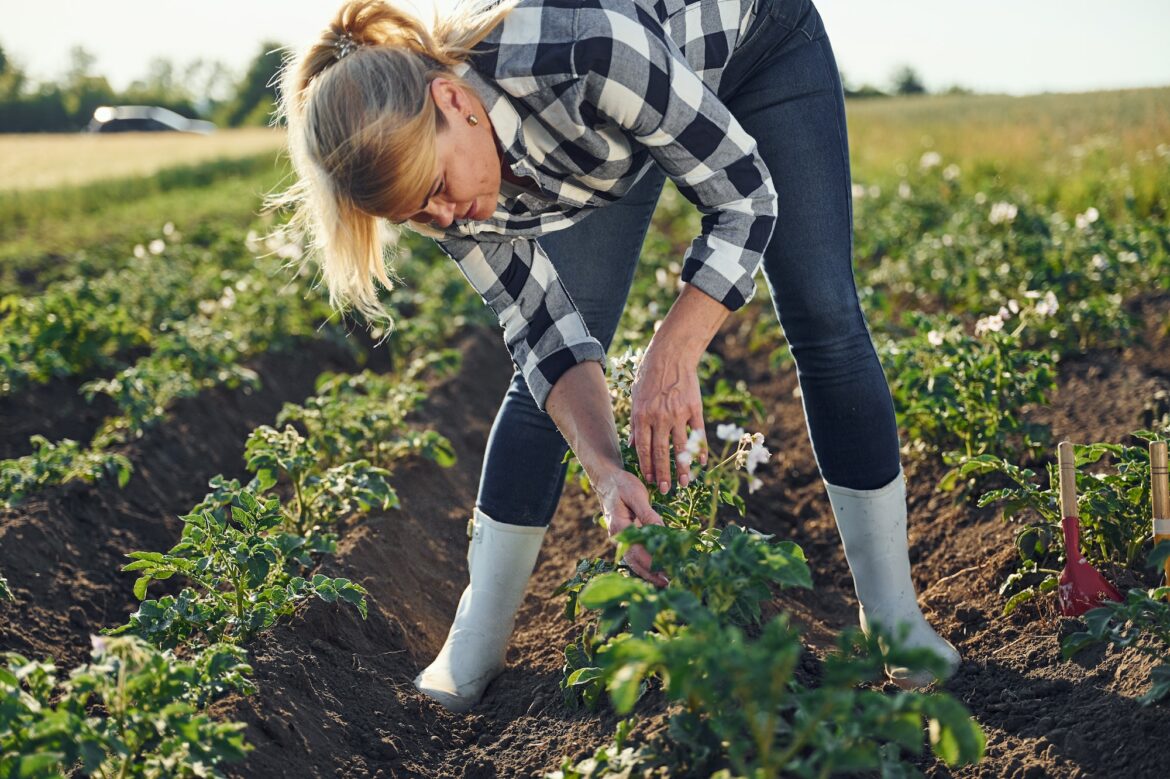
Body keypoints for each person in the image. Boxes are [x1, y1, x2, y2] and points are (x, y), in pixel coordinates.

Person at [269, 0, 961, 712]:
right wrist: (605, 474)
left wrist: (676, 349)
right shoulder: (440, 181)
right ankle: (473, 643)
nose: (446, 219)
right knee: (550, 360)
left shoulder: (581, 53)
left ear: (453, 99)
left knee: (823, 312)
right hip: (613, 131)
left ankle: (895, 620)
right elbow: (544, 330)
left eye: (439, 191)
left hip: (753, 41)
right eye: (418, 214)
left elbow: (745, 197)